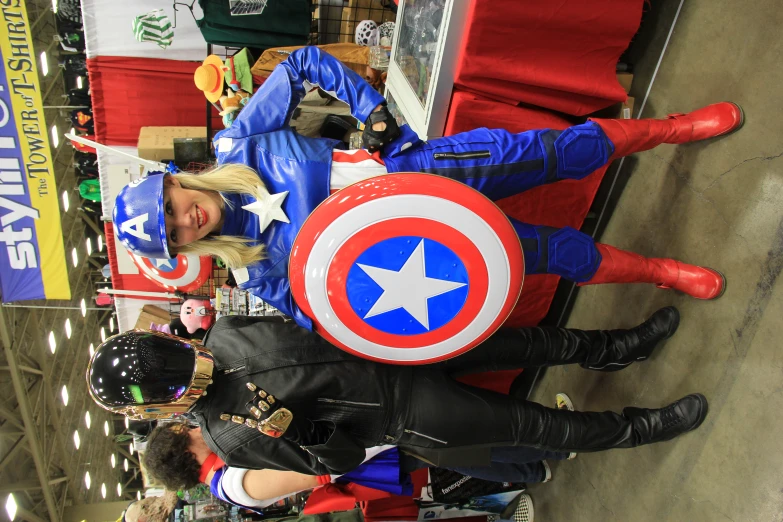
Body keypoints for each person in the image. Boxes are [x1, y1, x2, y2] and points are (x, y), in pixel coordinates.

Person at [112, 47, 741, 331]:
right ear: (182, 253)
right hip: (418, 250)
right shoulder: (253, 274)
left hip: (424, 171)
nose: (184, 221)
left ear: (174, 182)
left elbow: (304, 63)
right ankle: (659, 270)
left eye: (169, 208)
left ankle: (674, 128)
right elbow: (318, 316)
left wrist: (369, 109)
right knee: (554, 254)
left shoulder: (238, 144)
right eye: (173, 235)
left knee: (562, 152)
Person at [86, 307, 706, 476]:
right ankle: (642, 429)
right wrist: (299, 432)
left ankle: (622, 346)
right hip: (407, 412)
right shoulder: (230, 435)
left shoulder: (226, 332)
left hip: (399, 347)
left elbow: (309, 321)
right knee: (540, 428)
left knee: (531, 342)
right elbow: (344, 460)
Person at [141, 422, 559, 511]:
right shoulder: (233, 482)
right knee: (461, 444)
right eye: (185, 433)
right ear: (185, 450)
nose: (193, 429)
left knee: (459, 447)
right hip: (359, 456)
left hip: (356, 453)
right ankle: (552, 451)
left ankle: (536, 467)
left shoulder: (226, 474)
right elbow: (308, 470)